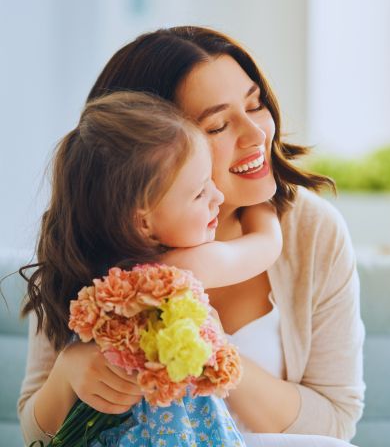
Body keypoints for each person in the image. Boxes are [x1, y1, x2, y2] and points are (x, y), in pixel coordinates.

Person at [19, 26, 365, 447]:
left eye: (255, 105)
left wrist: (208, 349)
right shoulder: (90, 242)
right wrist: (68, 375)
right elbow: (36, 435)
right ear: (144, 159)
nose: (257, 135)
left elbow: (335, 423)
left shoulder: (311, 232)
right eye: (217, 126)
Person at [18, 91, 283, 447]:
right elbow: (267, 246)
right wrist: (263, 207)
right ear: (142, 223)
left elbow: (47, 436)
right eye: (200, 193)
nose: (218, 197)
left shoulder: (87, 283)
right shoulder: (181, 270)